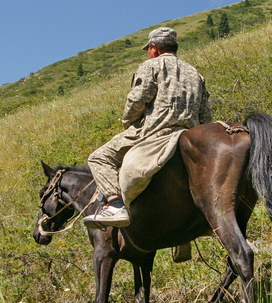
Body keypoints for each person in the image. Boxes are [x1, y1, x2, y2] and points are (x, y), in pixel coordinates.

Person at [83, 27, 211, 228]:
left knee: (98, 157)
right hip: (189, 132)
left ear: (154, 47)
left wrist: (129, 122)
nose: (148, 53)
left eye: (148, 49)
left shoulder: (151, 66)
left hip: (154, 131)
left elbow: (137, 100)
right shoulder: (195, 73)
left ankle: (115, 205)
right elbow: (205, 116)